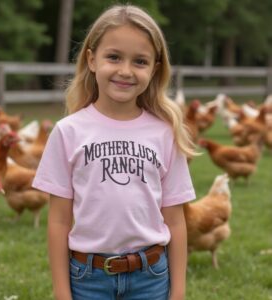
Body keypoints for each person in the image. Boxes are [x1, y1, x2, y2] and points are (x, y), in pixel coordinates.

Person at [32, 4, 196, 300]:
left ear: (155, 69)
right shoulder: (68, 132)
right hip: (87, 278)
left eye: (140, 61)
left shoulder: (165, 133)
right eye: (114, 57)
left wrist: (179, 292)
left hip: (151, 277)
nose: (125, 71)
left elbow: (175, 221)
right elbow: (58, 221)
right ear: (92, 60)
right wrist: (61, 293)